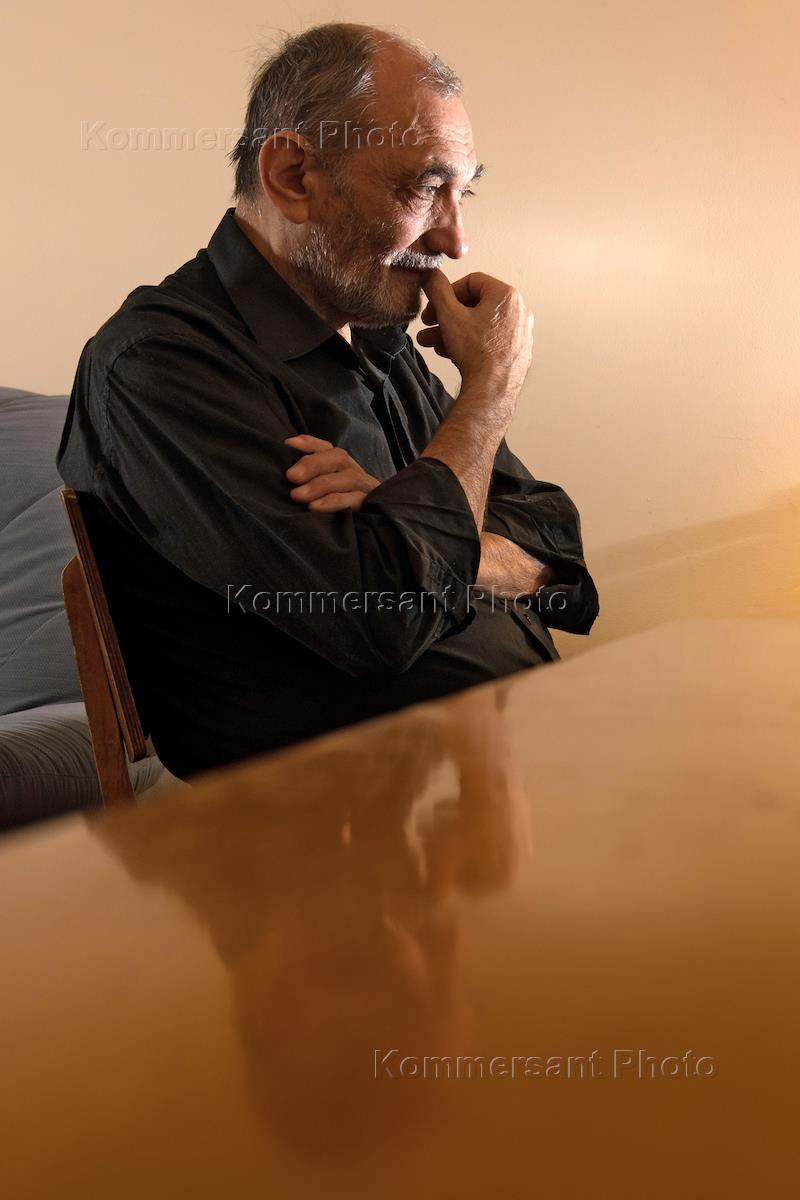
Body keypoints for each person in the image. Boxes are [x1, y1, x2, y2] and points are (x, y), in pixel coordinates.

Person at [57, 22, 599, 780]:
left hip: (484, 782)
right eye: (424, 189)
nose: (456, 242)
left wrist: (411, 522)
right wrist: (491, 389)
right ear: (293, 176)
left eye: (464, 191)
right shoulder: (156, 366)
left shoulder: (376, 337)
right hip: (314, 825)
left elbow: (561, 555)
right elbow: (390, 615)